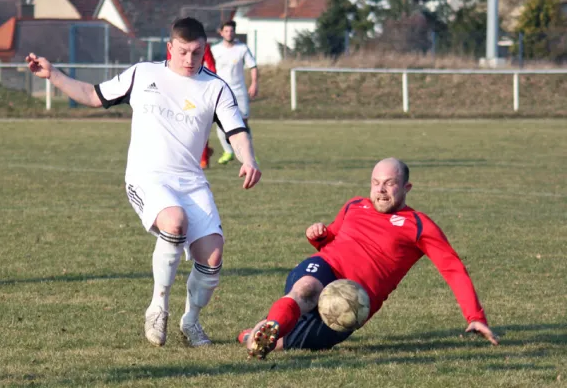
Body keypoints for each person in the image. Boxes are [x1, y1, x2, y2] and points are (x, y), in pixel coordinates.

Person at [25, 17, 261, 348]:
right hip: (147, 176)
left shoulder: (215, 87)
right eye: (182, 52)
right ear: (170, 48)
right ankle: (157, 307)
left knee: (212, 257)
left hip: (191, 181)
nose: (189, 60)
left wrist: (248, 159)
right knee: (174, 222)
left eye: (196, 52)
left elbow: (236, 131)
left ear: (204, 50)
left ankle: (190, 322)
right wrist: (54, 75)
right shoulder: (143, 74)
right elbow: (94, 96)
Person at [240, 158, 498, 360]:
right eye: (376, 183)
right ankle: (272, 326)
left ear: (406, 187)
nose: (381, 190)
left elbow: (453, 269)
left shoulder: (419, 225)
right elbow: (330, 240)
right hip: (326, 268)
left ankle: (254, 335)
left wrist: (475, 316)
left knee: (282, 343)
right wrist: (317, 235)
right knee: (304, 289)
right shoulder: (355, 205)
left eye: (389, 183)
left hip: (353, 303)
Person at [211, 20, 259, 165]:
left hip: (239, 91)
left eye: (231, 31)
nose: (229, 33)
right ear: (221, 32)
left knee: (243, 124)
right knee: (220, 123)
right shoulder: (215, 49)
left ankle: (249, 155)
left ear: (234, 32)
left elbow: (253, 66)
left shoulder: (242, 48)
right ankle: (228, 151)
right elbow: (208, 67)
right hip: (221, 92)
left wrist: (254, 83)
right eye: (226, 31)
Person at [167, 41, 217, 169]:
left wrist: (210, 85)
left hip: (197, 89)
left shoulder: (203, 46)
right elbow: (170, 64)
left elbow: (211, 66)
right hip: (178, 90)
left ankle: (204, 158)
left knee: (198, 124)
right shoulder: (174, 45)